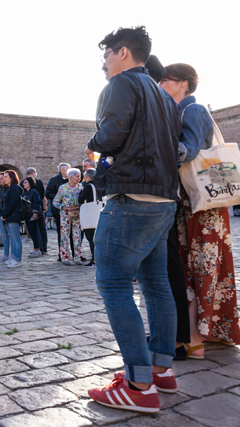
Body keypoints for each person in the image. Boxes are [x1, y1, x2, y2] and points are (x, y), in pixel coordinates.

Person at [84, 26, 182, 413]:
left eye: (106, 53)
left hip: (131, 198)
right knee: (157, 285)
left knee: (113, 284)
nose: (103, 61)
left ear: (123, 52)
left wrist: (92, 143)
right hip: (163, 199)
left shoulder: (122, 84)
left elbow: (111, 135)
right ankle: (162, 370)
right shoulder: (163, 95)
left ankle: (139, 384)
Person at [159, 63, 240, 358]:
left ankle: (195, 337)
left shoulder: (192, 110)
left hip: (202, 203)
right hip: (190, 201)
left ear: (183, 83)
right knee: (193, 266)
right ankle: (201, 333)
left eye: (165, 80)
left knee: (200, 267)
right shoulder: (177, 111)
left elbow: (190, 149)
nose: (160, 85)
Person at [52, 169, 83, 265]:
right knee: (64, 236)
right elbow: (55, 201)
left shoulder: (80, 187)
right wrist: (62, 207)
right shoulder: (63, 188)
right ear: (71, 177)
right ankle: (65, 257)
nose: (79, 178)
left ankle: (77, 257)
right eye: (77, 176)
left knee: (77, 236)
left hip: (77, 215)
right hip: (65, 216)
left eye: (79, 176)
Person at [0, 171, 23, 267]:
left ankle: (17, 259)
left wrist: (5, 214)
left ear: (11, 178)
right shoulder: (10, 188)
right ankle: (14, 257)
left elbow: (12, 203)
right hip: (9, 216)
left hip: (13, 216)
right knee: (12, 237)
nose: (4, 178)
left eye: (6, 177)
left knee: (16, 239)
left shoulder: (14, 188)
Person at [44, 163, 70, 261]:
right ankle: (62, 254)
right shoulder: (54, 180)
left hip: (71, 210)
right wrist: (60, 196)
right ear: (62, 170)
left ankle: (74, 252)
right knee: (61, 233)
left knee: (72, 233)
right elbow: (48, 193)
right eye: (68, 169)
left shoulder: (71, 179)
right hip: (58, 210)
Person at [77, 168, 102, 267]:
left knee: (91, 238)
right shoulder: (100, 185)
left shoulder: (88, 186)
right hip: (99, 213)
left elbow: (80, 199)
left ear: (88, 177)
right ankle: (98, 259)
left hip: (90, 215)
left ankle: (95, 259)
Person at [25, 167, 48, 254]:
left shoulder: (25, 182)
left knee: (35, 230)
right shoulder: (38, 182)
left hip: (31, 210)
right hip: (39, 209)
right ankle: (43, 248)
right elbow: (42, 195)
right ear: (34, 173)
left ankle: (38, 247)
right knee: (41, 229)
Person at [23, 177, 45, 258]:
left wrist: (35, 213)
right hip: (27, 215)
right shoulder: (25, 193)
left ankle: (37, 249)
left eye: (25, 182)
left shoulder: (34, 192)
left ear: (29, 183)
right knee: (31, 233)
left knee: (35, 232)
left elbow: (36, 203)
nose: (23, 184)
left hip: (33, 215)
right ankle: (36, 249)